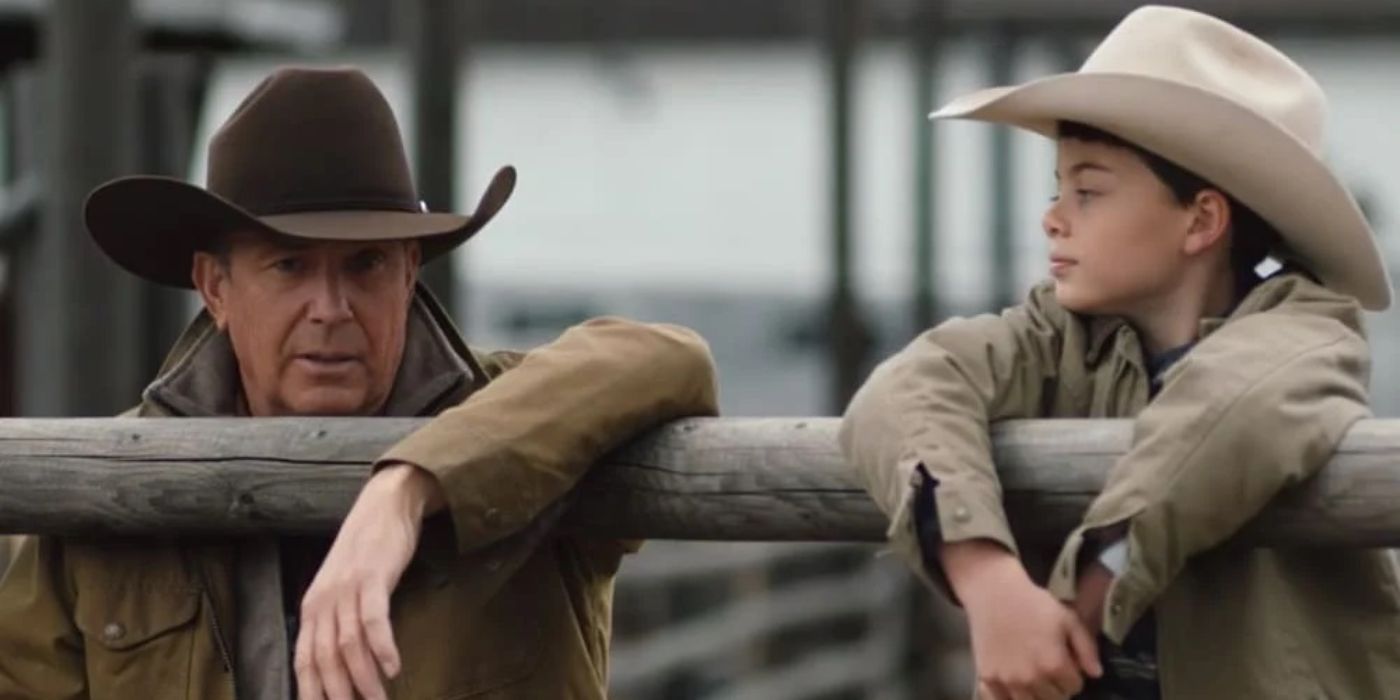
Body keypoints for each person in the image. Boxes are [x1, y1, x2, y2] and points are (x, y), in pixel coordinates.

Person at [0, 66, 719, 700]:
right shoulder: (111, 490)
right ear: (215, 287)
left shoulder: (521, 424)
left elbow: (664, 358)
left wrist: (409, 488)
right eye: (289, 266)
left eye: (365, 264)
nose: (331, 309)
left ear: (410, 273)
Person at [840, 7, 1398, 699]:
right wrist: (990, 583)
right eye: (1057, 188)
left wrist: (1086, 600)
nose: (1053, 216)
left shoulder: (1306, 332)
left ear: (1201, 221)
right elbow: (905, 389)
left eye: (1088, 191)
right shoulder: (1058, 337)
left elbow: (1233, 406)